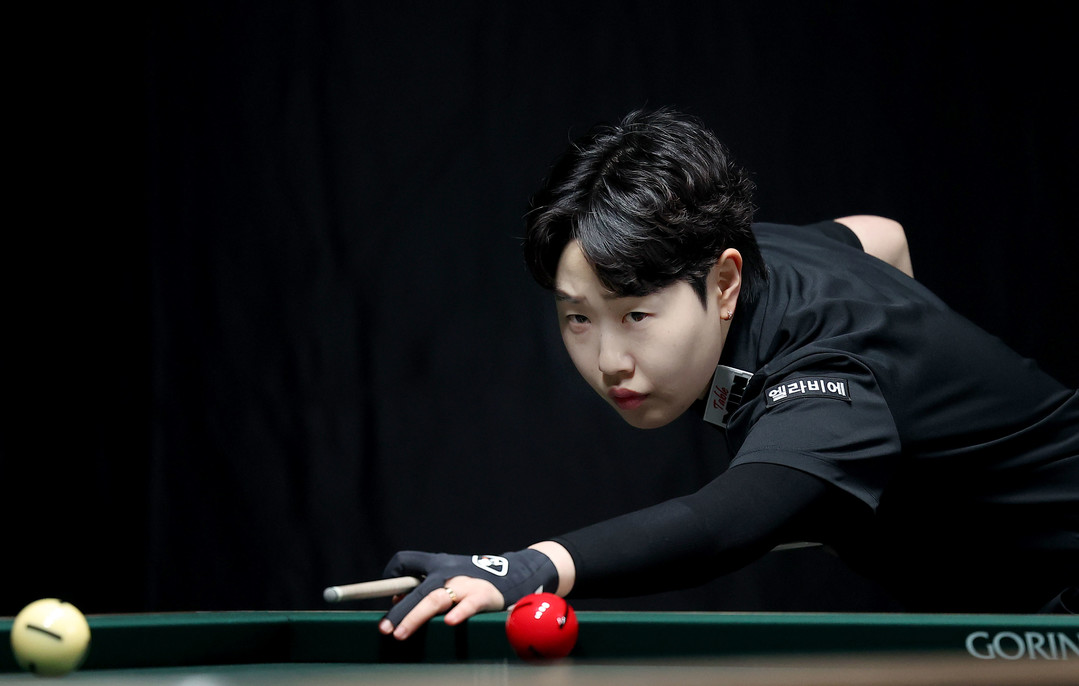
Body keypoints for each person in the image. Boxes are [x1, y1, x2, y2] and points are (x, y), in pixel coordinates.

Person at [378, 109, 1078, 640]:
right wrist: (910, 433)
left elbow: (726, 522)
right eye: (579, 317)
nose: (609, 360)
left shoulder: (825, 378)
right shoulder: (746, 254)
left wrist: (523, 568)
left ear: (723, 284)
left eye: (635, 315)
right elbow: (880, 234)